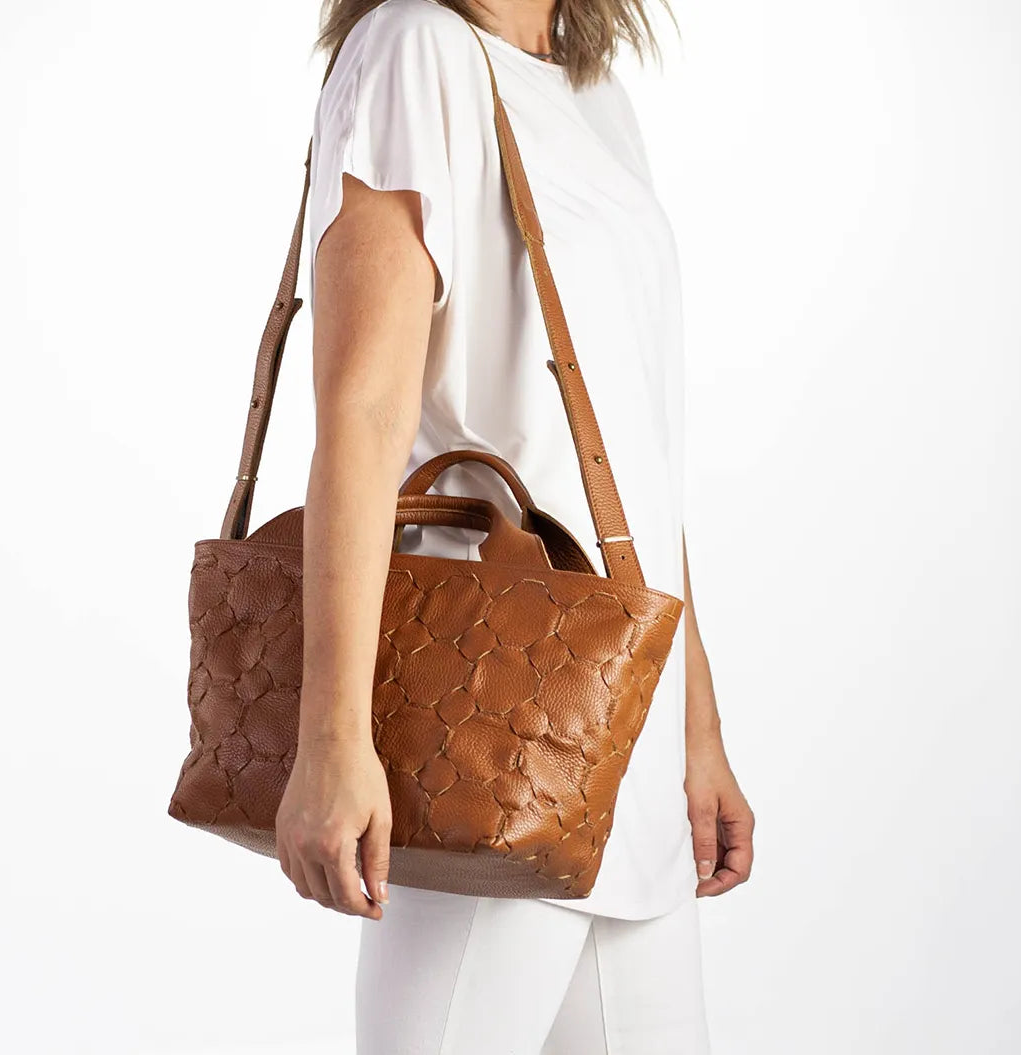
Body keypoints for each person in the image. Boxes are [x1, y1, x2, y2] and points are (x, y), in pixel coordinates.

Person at [273, 0, 755, 1050]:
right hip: (492, 713)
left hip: (626, 721)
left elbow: (641, 451)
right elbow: (358, 415)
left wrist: (695, 729)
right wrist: (331, 739)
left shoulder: (592, 95)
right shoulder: (415, 51)